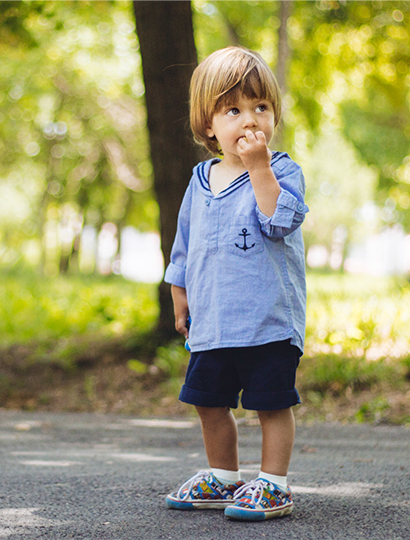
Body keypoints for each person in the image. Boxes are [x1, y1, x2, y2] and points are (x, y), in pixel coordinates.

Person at [162, 46, 309, 522]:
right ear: (208, 125)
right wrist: (179, 295)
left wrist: (259, 167)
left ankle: (273, 483)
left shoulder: (281, 170)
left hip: (267, 319)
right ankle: (223, 475)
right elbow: (185, 246)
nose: (250, 120)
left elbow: (280, 220)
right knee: (208, 401)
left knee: (271, 404)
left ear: (274, 114)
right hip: (213, 321)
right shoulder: (200, 179)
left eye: (260, 107)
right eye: (233, 111)